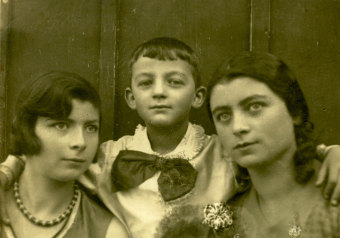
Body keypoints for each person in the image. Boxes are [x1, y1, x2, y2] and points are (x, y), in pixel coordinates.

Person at [1, 39, 340, 237]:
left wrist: (331, 153)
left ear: (198, 97)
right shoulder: (107, 155)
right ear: (131, 98)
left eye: (175, 82)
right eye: (146, 83)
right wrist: (10, 168)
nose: (160, 92)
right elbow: (45, 158)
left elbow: (278, 150)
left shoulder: (221, 150)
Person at [205, 51, 340, 237]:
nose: (237, 127)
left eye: (254, 107)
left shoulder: (334, 199)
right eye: (224, 116)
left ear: (295, 112)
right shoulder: (226, 220)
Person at [0, 72, 129, 238]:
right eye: (61, 125)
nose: (80, 142)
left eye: (90, 128)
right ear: (27, 130)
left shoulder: (107, 232)